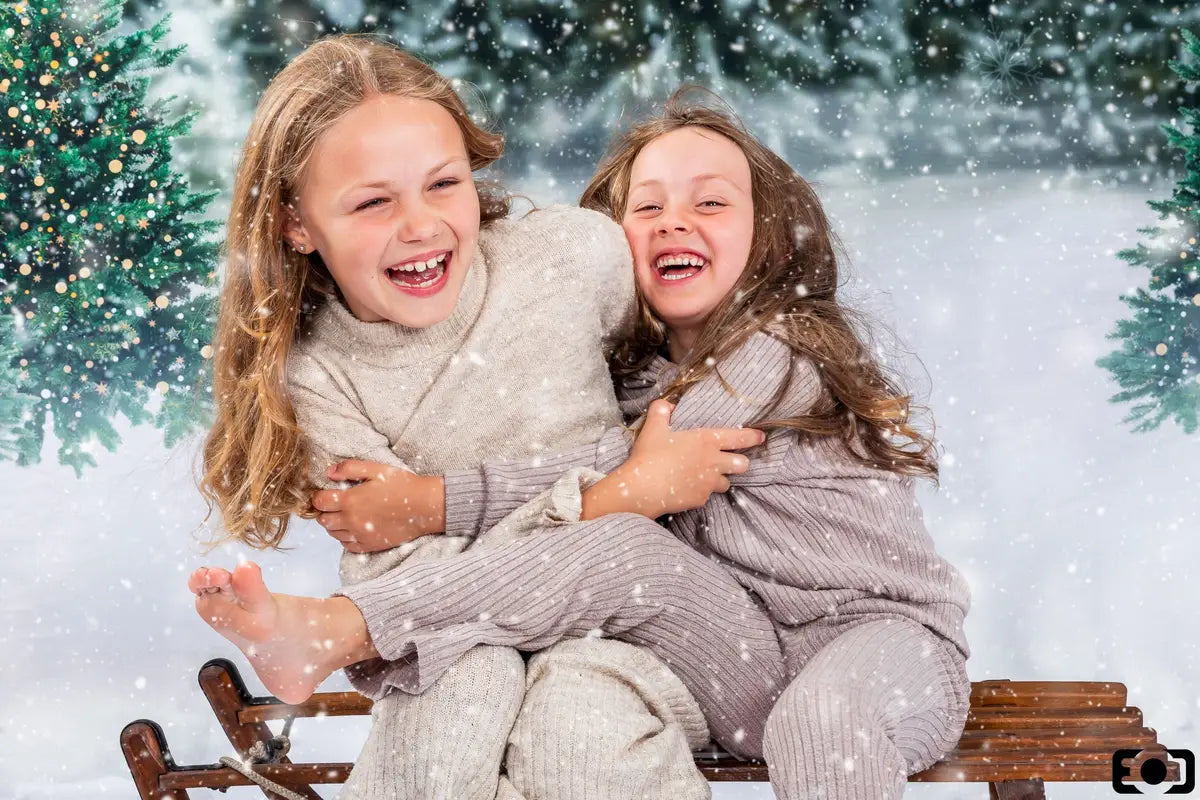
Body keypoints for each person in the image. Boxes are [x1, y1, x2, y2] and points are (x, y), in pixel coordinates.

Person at [326, 88, 974, 799]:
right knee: (610, 586)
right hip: (743, 655)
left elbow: (613, 469)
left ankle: (359, 626)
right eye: (649, 207)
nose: (675, 224)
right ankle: (372, 629)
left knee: (818, 723)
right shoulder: (632, 379)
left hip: (879, 642)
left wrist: (428, 503)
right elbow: (603, 480)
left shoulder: (785, 350)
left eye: (710, 203)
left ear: (770, 238)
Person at [192, 36, 784, 800]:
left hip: (657, 626)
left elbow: (673, 417)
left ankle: (342, 626)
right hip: (460, 645)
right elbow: (419, 592)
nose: (420, 225)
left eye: (443, 183)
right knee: (453, 697)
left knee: (575, 699)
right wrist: (612, 491)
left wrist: (450, 504)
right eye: (373, 201)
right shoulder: (315, 383)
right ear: (295, 225)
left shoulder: (573, 260)